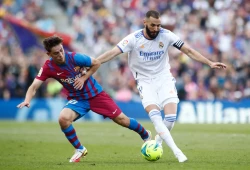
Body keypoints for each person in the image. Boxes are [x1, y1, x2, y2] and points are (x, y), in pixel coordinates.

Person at [96, 10, 227, 163]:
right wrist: (92, 62)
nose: (156, 29)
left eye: (159, 25)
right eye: (153, 25)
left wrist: (209, 63)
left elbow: (188, 50)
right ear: (145, 23)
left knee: (171, 118)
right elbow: (112, 53)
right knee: (156, 118)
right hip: (145, 82)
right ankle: (177, 152)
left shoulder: (167, 35)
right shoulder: (133, 39)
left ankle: (157, 143)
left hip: (164, 78)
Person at [17, 35, 151, 163]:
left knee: (122, 120)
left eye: (61, 50)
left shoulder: (75, 57)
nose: (61, 54)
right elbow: (34, 86)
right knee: (63, 119)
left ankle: (145, 134)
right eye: (56, 53)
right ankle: (79, 149)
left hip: (96, 95)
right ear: (49, 54)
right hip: (78, 99)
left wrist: (83, 78)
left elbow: (96, 63)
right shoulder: (48, 67)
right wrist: (27, 99)